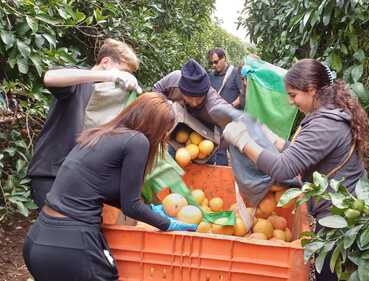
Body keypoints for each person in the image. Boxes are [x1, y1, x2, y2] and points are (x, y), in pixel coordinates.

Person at [222, 58, 369, 280]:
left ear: (311, 90)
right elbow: (309, 154)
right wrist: (273, 139)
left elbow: (283, 169)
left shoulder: (324, 123)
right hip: (342, 210)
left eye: (293, 95)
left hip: (339, 217)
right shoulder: (330, 114)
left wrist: (244, 143)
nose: (291, 102)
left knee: (329, 275)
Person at [23, 92, 197, 281]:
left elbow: (102, 190)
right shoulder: (137, 141)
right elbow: (132, 205)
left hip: (38, 240)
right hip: (71, 245)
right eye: (165, 130)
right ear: (154, 126)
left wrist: (149, 210)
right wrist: (167, 224)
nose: (165, 137)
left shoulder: (102, 134)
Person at [28, 38, 142, 208]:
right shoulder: (79, 84)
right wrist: (109, 76)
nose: (124, 79)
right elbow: (50, 77)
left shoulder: (107, 98)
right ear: (106, 62)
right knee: (60, 230)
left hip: (79, 178)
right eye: (123, 72)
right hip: (51, 174)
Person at [152, 59, 233, 165]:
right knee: (171, 164)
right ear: (181, 90)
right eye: (189, 97)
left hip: (203, 140)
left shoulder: (214, 104)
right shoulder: (174, 79)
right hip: (177, 134)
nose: (194, 103)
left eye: (199, 98)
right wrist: (168, 106)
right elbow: (156, 90)